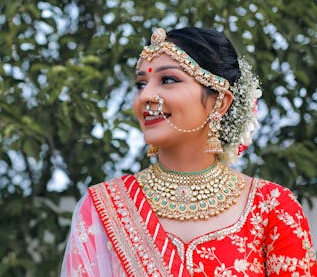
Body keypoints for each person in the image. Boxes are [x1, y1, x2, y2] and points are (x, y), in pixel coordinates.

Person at [60, 27, 317, 276]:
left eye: (168, 80)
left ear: (220, 102)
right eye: (141, 84)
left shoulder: (272, 208)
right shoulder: (103, 208)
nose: (145, 96)